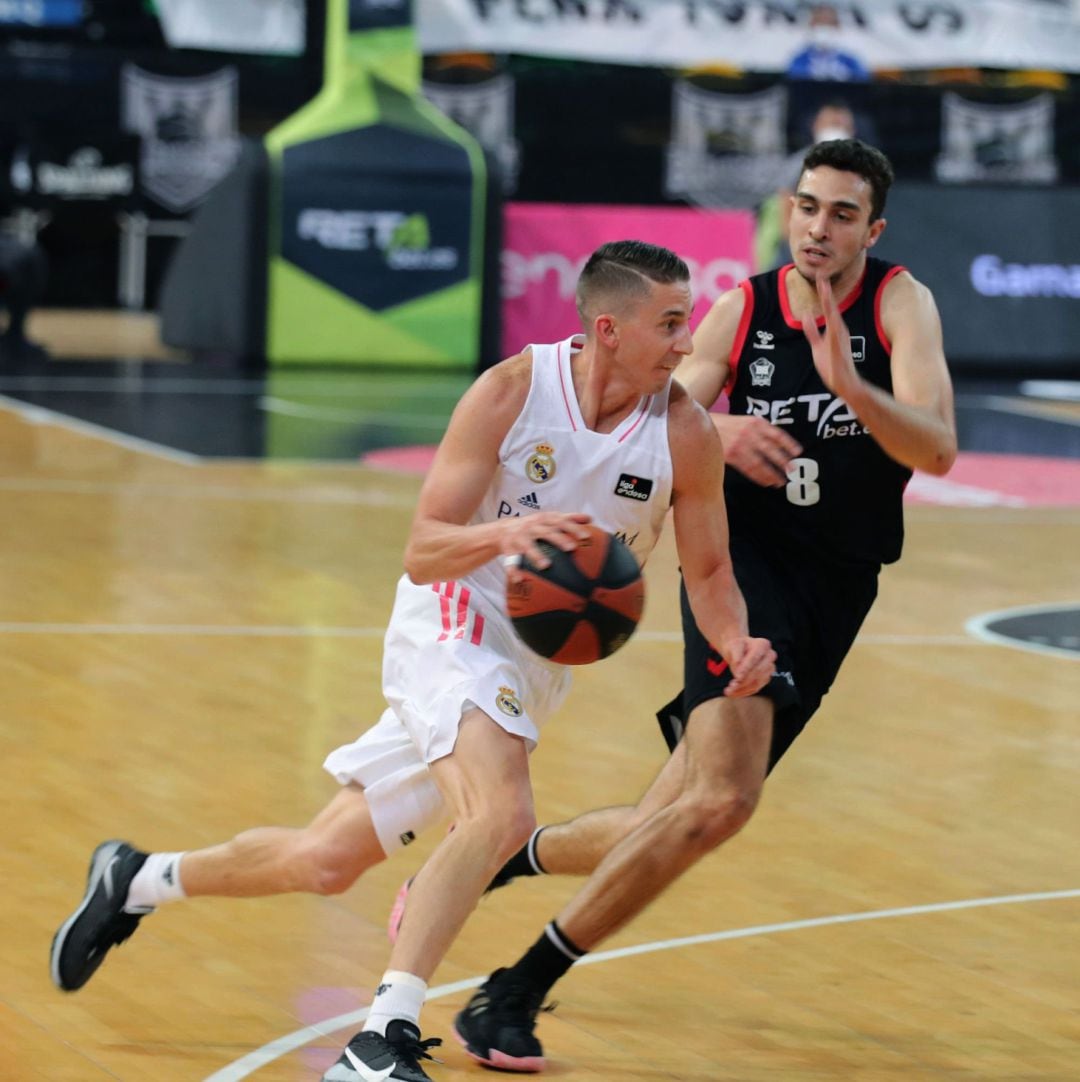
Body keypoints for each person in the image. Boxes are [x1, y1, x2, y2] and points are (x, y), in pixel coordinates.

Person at [48, 239, 775, 1082]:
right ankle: (378, 1039)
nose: (689, 344)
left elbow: (711, 570)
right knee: (500, 816)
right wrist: (510, 534)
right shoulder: (511, 391)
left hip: (534, 665)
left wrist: (735, 644)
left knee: (326, 860)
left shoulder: (683, 432)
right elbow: (425, 549)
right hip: (454, 617)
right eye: (672, 324)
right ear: (608, 328)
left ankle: (139, 879)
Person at [436, 139, 957, 1073]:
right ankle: (514, 989)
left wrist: (849, 385)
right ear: (787, 210)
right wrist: (719, 426)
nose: (818, 228)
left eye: (842, 214)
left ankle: (518, 855)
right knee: (722, 801)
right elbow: (660, 409)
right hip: (741, 568)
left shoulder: (898, 305)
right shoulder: (743, 308)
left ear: (871, 231)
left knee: (669, 816)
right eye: (807, 206)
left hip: (839, 584)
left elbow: (937, 448)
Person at [785, 3, 871, 83]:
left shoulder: (851, 61)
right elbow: (795, 81)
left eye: (829, 24)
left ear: (837, 27)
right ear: (811, 27)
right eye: (820, 23)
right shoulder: (799, 60)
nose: (824, 28)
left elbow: (862, 83)